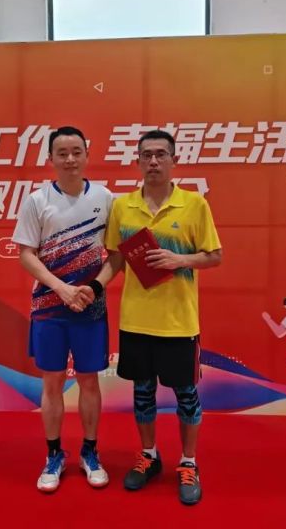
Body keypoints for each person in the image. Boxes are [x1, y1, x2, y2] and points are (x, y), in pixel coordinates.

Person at [81, 129, 222, 506]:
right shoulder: (123, 207)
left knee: (186, 395)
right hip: (136, 321)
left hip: (179, 323)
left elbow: (214, 256)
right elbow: (115, 258)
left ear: (174, 160)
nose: (154, 161)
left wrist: (180, 259)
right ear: (138, 161)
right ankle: (149, 456)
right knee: (142, 392)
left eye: (161, 154)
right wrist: (94, 287)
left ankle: (188, 463)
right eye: (147, 155)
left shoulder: (194, 204)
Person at [12, 126, 113, 493]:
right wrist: (61, 288)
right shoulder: (37, 201)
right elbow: (26, 254)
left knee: (89, 381)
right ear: (51, 158)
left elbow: (117, 255)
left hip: (89, 307)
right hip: (49, 309)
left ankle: (90, 453)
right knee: (52, 381)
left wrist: (93, 288)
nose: (70, 159)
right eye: (62, 153)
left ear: (86, 154)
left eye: (76, 152)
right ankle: (54, 455)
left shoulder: (105, 198)